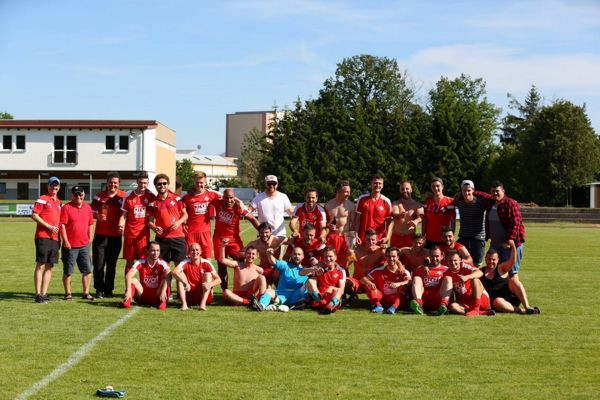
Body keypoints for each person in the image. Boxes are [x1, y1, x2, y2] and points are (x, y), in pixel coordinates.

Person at [475, 181, 526, 285]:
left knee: (512, 274)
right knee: (493, 271)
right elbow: (482, 194)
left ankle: (514, 298)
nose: (495, 194)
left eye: (497, 191)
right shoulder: (491, 201)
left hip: (511, 246)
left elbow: (516, 223)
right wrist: (469, 192)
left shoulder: (510, 203)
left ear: (503, 191)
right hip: (495, 244)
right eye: (493, 192)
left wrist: (508, 241)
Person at [212, 188, 259, 290]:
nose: (229, 201)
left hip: (234, 240)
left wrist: (263, 232)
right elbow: (206, 194)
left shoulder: (239, 207)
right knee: (221, 266)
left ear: (234, 198)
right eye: (227, 198)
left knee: (243, 261)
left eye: (231, 198)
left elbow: (252, 219)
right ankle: (225, 290)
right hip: (219, 240)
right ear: (222, 198)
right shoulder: (217, 202)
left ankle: (244, 286)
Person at [91, 172, 126, 298]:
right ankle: (99, 289)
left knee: (112, 265)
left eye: (115, 183)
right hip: (100, 235)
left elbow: (127, 214)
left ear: (119, 184)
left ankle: (109, 290)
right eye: (111, 182)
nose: (113, 184)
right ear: (107, 183)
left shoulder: (124, 197)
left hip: (116, 236)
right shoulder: (99, 196)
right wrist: (97, 216)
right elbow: (92, 212)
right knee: (99, 264)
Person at [481, 240, 540, 314]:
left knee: (514, 280)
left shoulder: (501, 268)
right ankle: (522, 311)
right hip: (498, 303)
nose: (491, 261)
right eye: (489, 259)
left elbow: (512, 261)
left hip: (510, 298)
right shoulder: (480, 272)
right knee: (497, 301)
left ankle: (527, 307)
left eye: (493, 259)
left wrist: (513, 246)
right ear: (485, 259)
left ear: (498, 260)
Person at [59, 185, 95, 301]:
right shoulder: (66, 207)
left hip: (84, 245)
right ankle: (68, 293)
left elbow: (90, 224)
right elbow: (62, 225)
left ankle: (86, 293)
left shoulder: (87, 208)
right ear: (72, 195)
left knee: (87, 270)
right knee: (68, 271)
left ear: (84, 195)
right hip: (70, 246)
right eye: (76, 194)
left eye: (80, 194)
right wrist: (66, 241)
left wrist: (90, 239)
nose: (78, 196)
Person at [31, 176, 62, 303]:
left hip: (55, 238)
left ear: (59, 187)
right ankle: (38, 294)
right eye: (52, 185)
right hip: (43, 236)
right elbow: (34, 215)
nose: (54, 187)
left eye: (56, 185)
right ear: (48, 186)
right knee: (41, 265)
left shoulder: (59, 203)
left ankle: (44, 293)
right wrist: (48, 226)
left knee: (50, 266)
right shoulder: (42, 199)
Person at [251, 247, 310, 311]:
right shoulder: (285, 265)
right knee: (269, 291)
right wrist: (269, 254)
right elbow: (274, 262)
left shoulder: (306, 270)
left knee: (307, 284)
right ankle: (261, 306)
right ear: (291, 255)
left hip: (296, 296)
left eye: (299, 254)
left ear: (303, 256)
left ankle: (283, 305)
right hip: (282, 294)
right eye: (295, 254)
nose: (297, 256)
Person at [148, 174, 188, 265]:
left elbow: (185, 215)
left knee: (180, 267)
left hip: (178, 238)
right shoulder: (152, 203)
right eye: (159, 184)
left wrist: (178, 223)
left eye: (164, 183)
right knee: (163, 267)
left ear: (168, 184)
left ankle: (180, 280)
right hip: (162, 239)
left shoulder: (177, 198)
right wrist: (154, 228)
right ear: (155, 186)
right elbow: (150, 222)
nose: (162, 186)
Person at [119, 171, 155, 273]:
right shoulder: (128, 195)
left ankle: (143, 288)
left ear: (147, 183)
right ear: (137, 182)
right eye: (141, 183)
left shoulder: (150, 196)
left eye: (145, 183)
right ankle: (129, 288)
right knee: (129, 262)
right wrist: (120, 226)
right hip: (130, 235)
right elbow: (123, 215)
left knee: (143, 262)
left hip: (143, 236)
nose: (143, 185)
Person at [438, 250, 493, 317]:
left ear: (460, 260)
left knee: (475, 279)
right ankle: (479, 312)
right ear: (447, 261)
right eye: (450, 260)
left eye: (455, 260)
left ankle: (476, 308)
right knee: (453, 306)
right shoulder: (446, 273)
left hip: (480, 298)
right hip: (465, 303)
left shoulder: (465, 266)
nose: (453, 263)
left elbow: (480, 273)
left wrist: (467, 277)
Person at [181, 171, 221, 259]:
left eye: (201, 182)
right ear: (193, 183)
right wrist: (183, 223)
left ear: (205, 182)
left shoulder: (211, 194)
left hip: (205, 232)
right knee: (190, 260)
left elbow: (227, 197)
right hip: (190, 232)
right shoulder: (187, 197)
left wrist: (240, 203)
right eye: (197, 183)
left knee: (207, 259)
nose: (199, 185)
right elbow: (181, 212)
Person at [171, 243, 221, 311]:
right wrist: (185, 283)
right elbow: (174, 272)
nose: (195, 252)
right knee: (180, 274)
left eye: (197, 250)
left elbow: (218, 279)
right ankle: (184, 304)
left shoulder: (206, 263)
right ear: (189, 252)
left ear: (200, 252)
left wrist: (210, 284)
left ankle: (203, 304)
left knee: (208, 274)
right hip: (189, 294)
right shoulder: (185, 262)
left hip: (203, 292)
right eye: (192, 250)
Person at [361, 247, 411, 314]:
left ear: (398, 257)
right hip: (382, 298)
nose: (391, 259)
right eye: (389, 256)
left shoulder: (403, 271)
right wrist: (369, 282)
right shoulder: (379, 270)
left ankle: (393, 307)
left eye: (394, 256)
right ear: (386, 257)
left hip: (397, 298)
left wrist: (398, 284)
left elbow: (410, 282)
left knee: (405, 287)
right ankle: (378, 306)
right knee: (368, 286)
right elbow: (362, 279)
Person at [120, 241, 170, 309]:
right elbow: (128, 275)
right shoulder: (141, 262)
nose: (156, 253)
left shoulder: (163, 263)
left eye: (158, 250)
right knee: (133, 280)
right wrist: (128, 290)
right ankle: (127, 301)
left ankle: (163, 302)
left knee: (166, 279)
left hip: (157, 296)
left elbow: (169, 276)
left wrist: (163, 291)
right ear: (147, 251)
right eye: (153, 250)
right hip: (143, 295)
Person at [220, 239, 267, 306]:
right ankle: (247, 302)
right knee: (226, 292)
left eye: (253, 254)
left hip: (251, 294)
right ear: (245, 254)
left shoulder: (259, 270)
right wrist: (223, 246)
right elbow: (222, 260)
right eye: (248, 253)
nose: (250, 256)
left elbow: (262, 285)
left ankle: (262, 303)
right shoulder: (237, 265)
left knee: (262, 278)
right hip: (237, 294)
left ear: (256, 256)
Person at [452, 180, 487, 267]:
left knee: (476, 266)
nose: (466, 193)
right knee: (459, 264)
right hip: (463, 238)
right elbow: (448, 201)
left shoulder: (481, 202)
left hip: (478, 239)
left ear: (473, 190)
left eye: (469, 190)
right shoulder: (459, 202)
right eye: (464, 190)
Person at [324, 180, 356, 270]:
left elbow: (353, 224)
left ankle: (343, 272)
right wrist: (328, 225)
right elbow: (324, 224)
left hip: (346, 236)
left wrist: (353, 237)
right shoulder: (328, 205)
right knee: (330, 259)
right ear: (338, 191)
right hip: (332, 237)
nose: (348, 194)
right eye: (346, 191)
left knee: (351, 257)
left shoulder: (351, 206)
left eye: (349, 191)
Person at [346, 229, 386, 298]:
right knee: (345, 282)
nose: (370, 242)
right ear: (364, 239)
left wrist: (385, 251)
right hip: (357, 281)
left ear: (377, 240)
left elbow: (391, 263)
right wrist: (350, 253)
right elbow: (347, 265)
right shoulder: (357, 250)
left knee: (375, 296)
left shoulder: (380, 251)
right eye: (368, 239)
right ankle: (353, 294)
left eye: (373, 239)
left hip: (371, 283)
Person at [306, 247, 346, 314]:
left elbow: (342, 290)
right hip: (320, 297)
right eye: (326, 257)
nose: (328, 259)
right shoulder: (318, 269)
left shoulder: (341, 271)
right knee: (310, 281)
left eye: (330, 256)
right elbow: (303, 274)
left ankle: (329, 307)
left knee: (339, 290)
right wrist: (315, 269)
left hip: (333, 297)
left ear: (335, 257)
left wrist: (331, 288)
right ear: (323, 258)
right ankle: (322, 302)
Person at [409, 246, 448, 315]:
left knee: (448, 278)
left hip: (438, 300)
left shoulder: (446, 270)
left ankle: (443, 304)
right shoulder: (421, 268)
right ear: (429, 256)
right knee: (416, 278)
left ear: (442, 256)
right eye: (432, 256)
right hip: (423, 300)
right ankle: (419, 304)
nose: (435, 258)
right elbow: (412, 283)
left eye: (437, 256)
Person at [356, 176, 392, 244]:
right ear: (371, 184)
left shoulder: (386, 201)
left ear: (382, 185)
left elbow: (389, 222)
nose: (377, 185)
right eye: (375, 183)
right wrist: (356, 234)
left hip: (379, 239)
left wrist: (387, 237)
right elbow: (357, 218)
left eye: (380, 183)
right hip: (363, 238)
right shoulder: (362, 199)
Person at [422, 177, 455, 249]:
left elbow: (453, 221)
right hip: (429, 239)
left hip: (444, 239)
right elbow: (424, 220)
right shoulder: (427, 202)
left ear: (442, 187)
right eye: (433, 186)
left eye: (438, 186)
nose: (436, 188)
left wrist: (452, 236)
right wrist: (423, 236)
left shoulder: (450, 202)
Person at [390, 181, 424, 249]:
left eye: (407, 188)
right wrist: (399, 214)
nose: (405, 191)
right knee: (394, 259)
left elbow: (421, 216)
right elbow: (394, 214)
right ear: (400, 190)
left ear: (411, 189)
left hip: (410, 238)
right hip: (396, 237)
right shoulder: (395, 203)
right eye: (402, 189)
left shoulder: (417, 205)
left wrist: (416, 221)